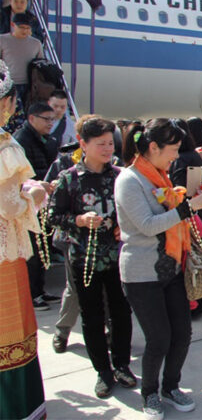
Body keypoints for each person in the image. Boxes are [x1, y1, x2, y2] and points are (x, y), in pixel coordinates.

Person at [115, 118, 202, 419]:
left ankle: (170, 386)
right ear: (152, 147)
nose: (176, 156)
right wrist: (189, 207)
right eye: (172, 149)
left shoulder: (159, 176)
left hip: (171, 267)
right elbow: (147, 226)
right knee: (158, 338)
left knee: (183, 333)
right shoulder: (129, 181)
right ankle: (149, 393)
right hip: (141, 273)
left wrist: (197, 202)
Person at [48, 117, 136, 398]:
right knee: (92, 317)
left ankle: (122, 364)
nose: (108, 149)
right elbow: (53, 217)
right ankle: (103, 372)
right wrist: (80, 220)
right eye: (101, 144)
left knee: (122, 313)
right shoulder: (69, 179)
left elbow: (132, 210)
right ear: (83, 145)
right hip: (84, 260)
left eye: (111, 143)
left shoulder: (121, 176)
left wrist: (124, 224)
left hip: (117, 258)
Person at [0, 60, 47, 420]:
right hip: (5, 254)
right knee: (11, 328)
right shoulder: (4, 146)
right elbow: (11, 204)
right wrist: (36, 194)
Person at [13, 101, 60, 309]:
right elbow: (21, 176)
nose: (51, 123)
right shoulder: (21, 140)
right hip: (29, 201)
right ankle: (32, 294)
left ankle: (39, 291)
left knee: (42, 249)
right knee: (32, 251)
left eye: (53, 119)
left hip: (41, 201)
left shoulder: (43, 139)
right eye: (46, 119)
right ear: (32, 118)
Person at [169, 118, 202, 317]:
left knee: (188, 262)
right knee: (198, 259)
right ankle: (200, 300)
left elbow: (179, 192)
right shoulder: (194, 156)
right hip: (198, 211)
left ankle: (193, 303)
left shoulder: (179, 159)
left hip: (185, 215)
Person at [0, 12, 44, 132]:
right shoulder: (2, 40)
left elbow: (41, 65)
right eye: (21, 27)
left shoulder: (36, 44)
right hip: (8, 86)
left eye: (28, 28)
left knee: (25, 120)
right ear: (13, 25)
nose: (25, 31)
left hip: (29, 88)